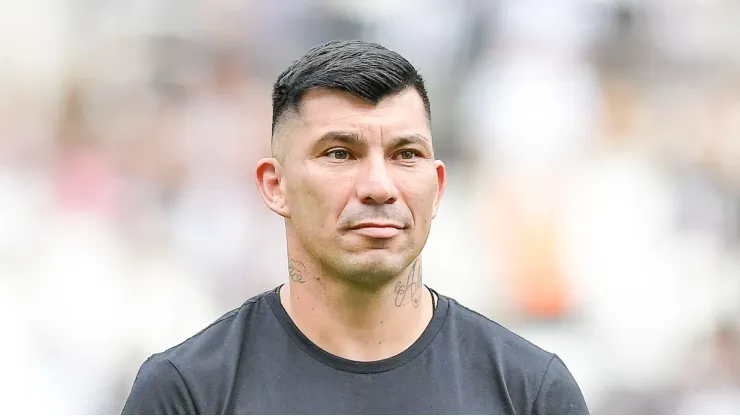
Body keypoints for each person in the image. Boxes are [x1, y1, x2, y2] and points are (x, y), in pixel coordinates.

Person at [121, 40, 589, 415]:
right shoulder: (190, 392)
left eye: (406, 154)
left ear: (438, 185)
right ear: (275, 185)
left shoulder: (529, 392)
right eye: (340, 153)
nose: (379, 187)